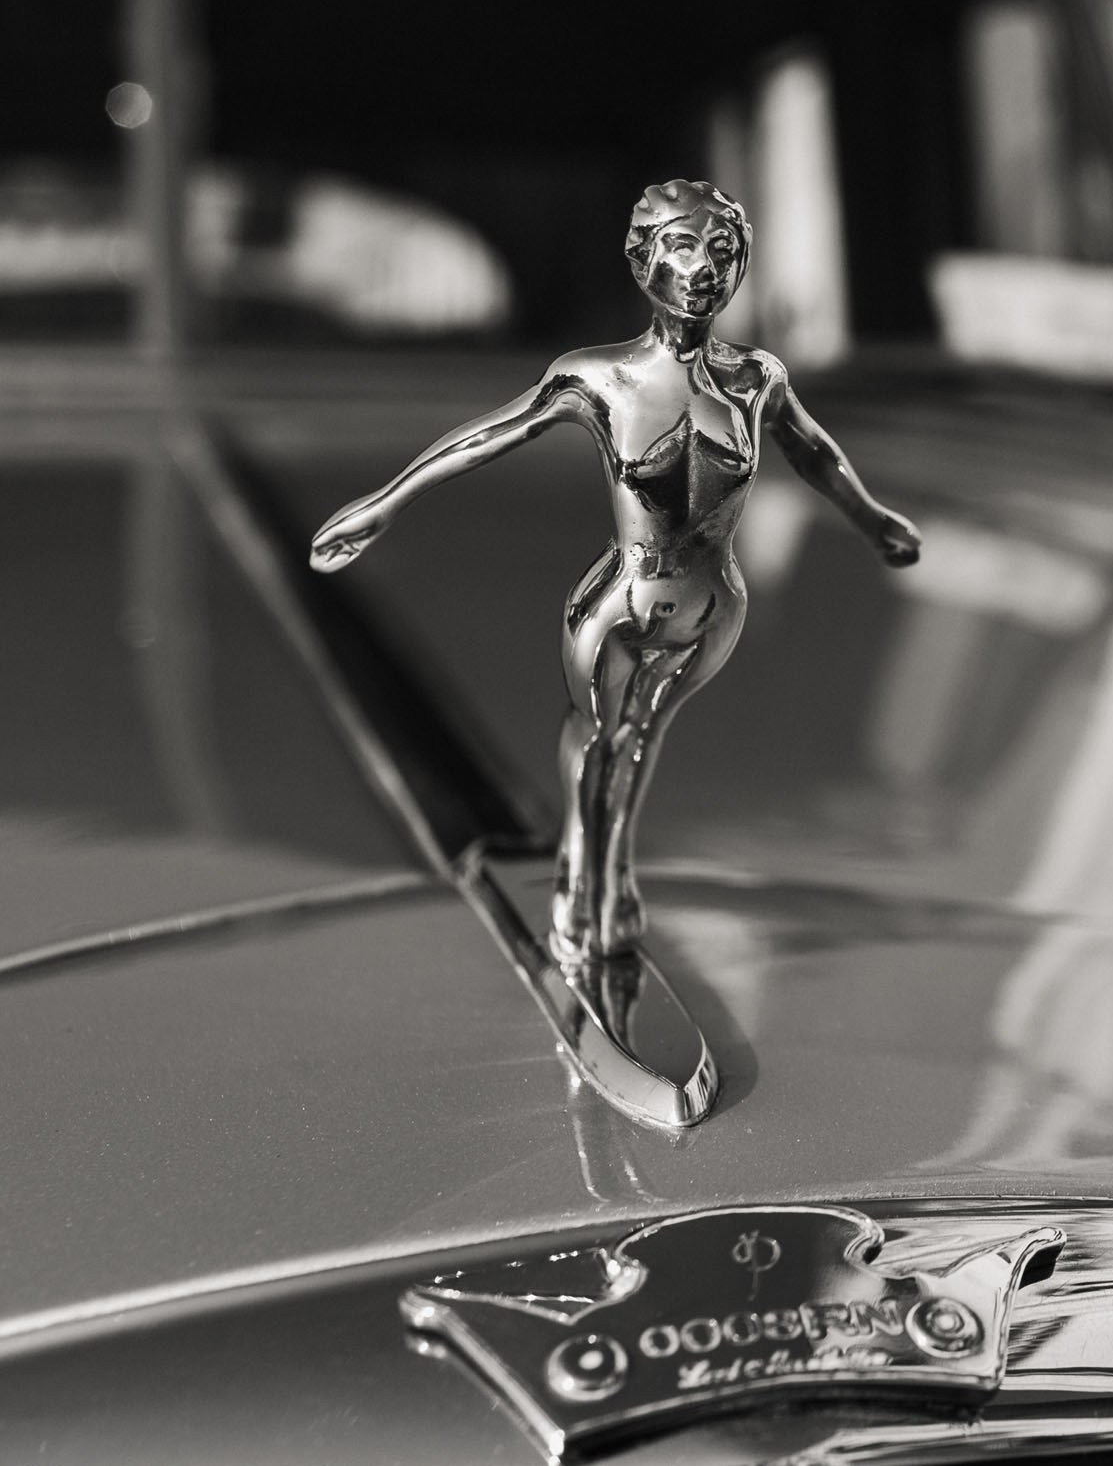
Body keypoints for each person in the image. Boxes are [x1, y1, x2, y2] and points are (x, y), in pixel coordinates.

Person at [309, 179, 921, 960]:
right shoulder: (596, 378)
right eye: (683, 245)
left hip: (716, 605)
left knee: (644, 740)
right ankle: (587, 870)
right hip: (622, 601)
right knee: (601, 738)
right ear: (643, 262)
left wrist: (874, 520)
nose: (706, 267)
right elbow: (488, 436)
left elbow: (816, 453)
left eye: (724, 249)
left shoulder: (757, 377)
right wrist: (383, 503)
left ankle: (609, 871)